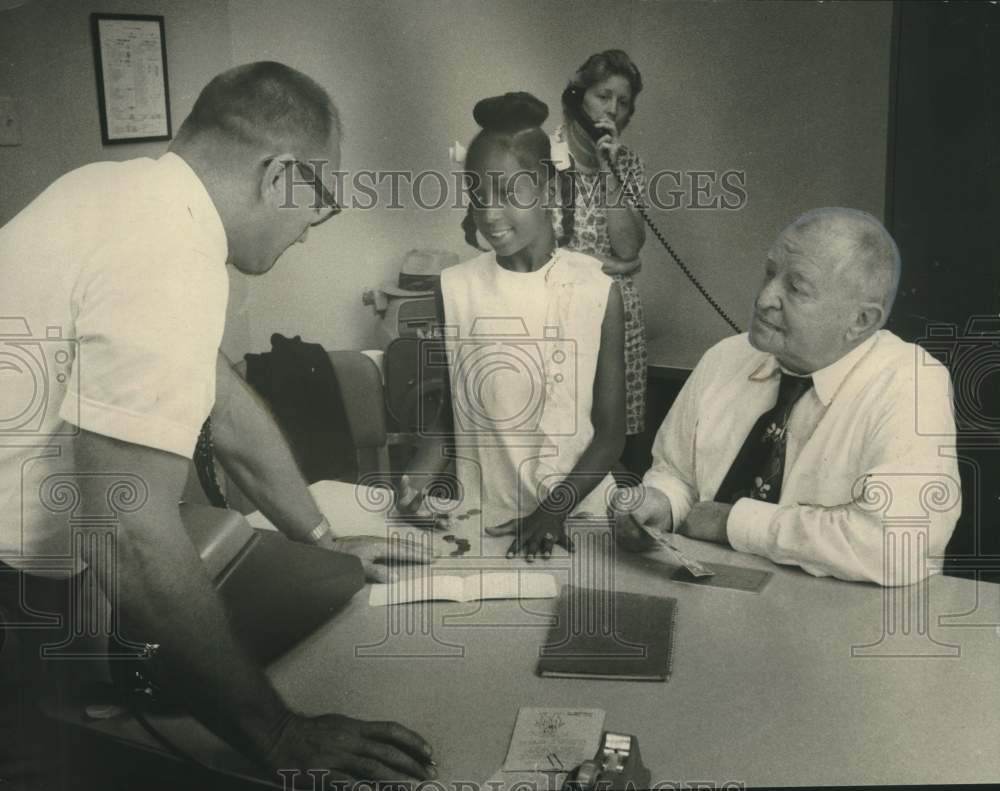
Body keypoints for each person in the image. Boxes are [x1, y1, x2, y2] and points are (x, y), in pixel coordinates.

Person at [0, 62, 436, 784]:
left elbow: (218, 396)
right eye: (318, 202)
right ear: (281, 175)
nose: (307, 233)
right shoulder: (170, 253)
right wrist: (278, 735)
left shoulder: (115, 192)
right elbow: (125, 528)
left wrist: (321, 537)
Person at [613, 208, 960, 585]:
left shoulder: (910, 383)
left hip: (845, 621)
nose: (764, 298)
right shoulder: (724, 357)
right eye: (769, 272)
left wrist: (734, 522)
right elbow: (677, 476)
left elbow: (899, 545)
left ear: (860, 321)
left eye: (796, 288)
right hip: (717, 603)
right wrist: (659, 504)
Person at [400, 92, 626, 561]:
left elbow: (610, 434)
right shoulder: (456, 289)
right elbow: (452, 412)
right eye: (479, 194)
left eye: (508, 192)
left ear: (545, 187)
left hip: (576, 521)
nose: (490, 213)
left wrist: (553, 511)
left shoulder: (596, 291)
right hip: (488, 519)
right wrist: (415, 482)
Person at [551, 49, 649, 437]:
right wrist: (610, 266)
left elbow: (628, 249)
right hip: (559, 314)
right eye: (603, 95)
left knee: (612, 438)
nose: (612, 109)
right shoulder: (541, 155)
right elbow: (541, 252)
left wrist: (609, 169)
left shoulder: (627, 164)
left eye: (623, 103)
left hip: (616, 318)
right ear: (577, 96)